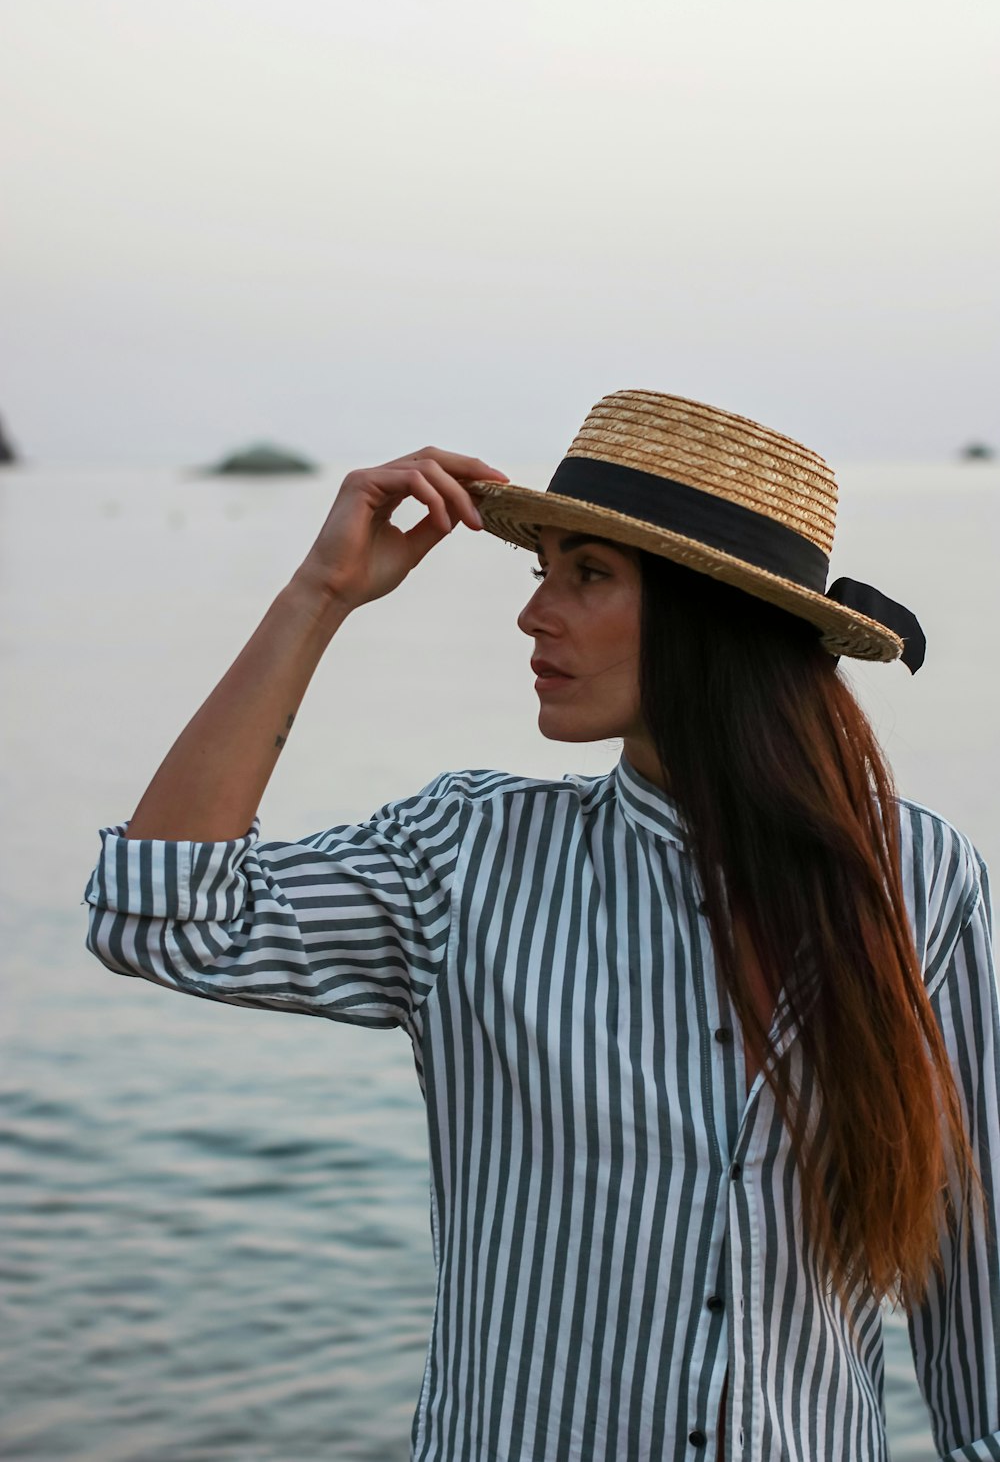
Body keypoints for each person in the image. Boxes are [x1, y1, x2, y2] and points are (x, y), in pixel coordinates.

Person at [84, 390, 999, 1462]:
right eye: (542, 571)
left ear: (713, 614)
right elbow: (158, 919)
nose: (533, 615)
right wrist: (317, 596)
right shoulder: (465, 856)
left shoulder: (916, 876)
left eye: (589, 575)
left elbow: (968, 1252)